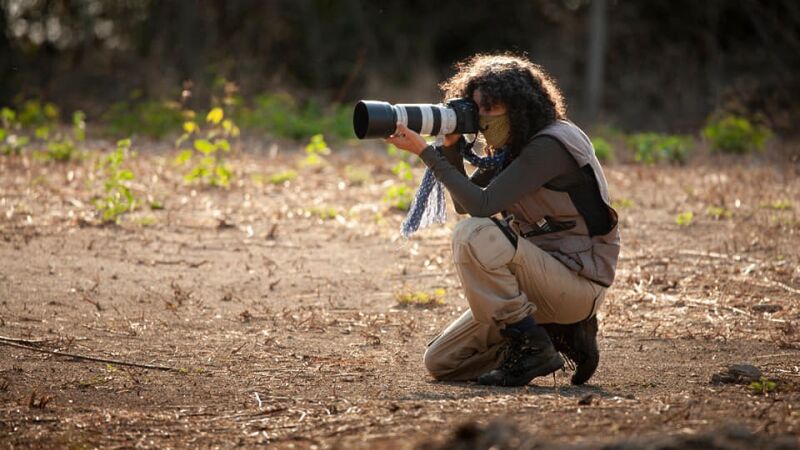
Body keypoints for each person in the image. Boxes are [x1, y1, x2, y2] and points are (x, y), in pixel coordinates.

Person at [385, 53, 620, 387]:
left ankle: (536, 346)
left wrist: (426, 153)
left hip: (577, 283)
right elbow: (465, 203)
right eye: (476, 107)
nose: (481, 119)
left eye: (490, 108)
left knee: (473, 235)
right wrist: (450, 145)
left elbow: (481, 207)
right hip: (536, 280)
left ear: (520, 107)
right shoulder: (514, 146)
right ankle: (553, 334)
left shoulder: (551, 145)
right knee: (442, 362)